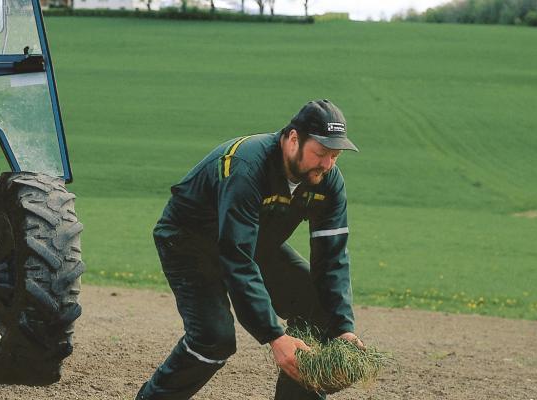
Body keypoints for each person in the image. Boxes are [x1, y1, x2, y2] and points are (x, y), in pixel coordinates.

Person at [136, 99, 365, 400]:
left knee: (319, 308)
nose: (327, 164)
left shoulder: (327, 181)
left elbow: (332, 258)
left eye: (334, 156)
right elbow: (236, 258)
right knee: (213, 339)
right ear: (293, 139)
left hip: (251, 241)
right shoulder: (247, 166)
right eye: (321, 153)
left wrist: (343, 328)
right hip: (189, 243)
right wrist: (275, 336)